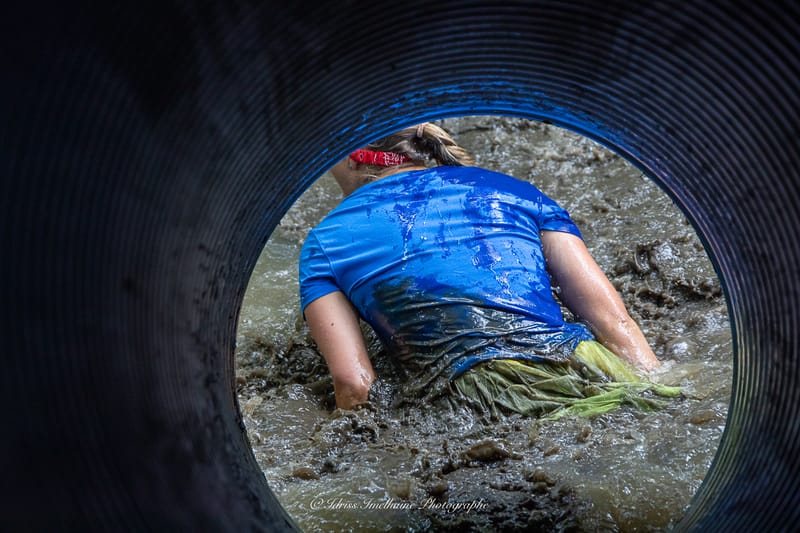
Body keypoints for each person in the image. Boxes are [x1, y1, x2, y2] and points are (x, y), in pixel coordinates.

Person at [299, 122, 679, 420]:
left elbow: (353, 383)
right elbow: (614, 322)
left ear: (351, 155)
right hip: (582, 364)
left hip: (474, 397)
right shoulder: (517, 191)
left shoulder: (325, 241)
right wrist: (651, 382)